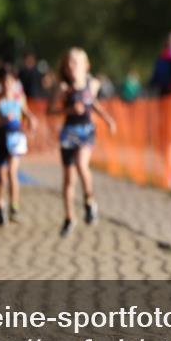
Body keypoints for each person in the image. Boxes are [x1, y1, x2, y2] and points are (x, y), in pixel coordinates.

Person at [49, 48, 117, 238]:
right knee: (69, 179)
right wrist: (69, 110)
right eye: (68, 62)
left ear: (86, 66)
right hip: (69, 133)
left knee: (82, 164)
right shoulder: (62, 88)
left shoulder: (92, 84)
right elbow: (50, 111)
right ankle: (69, 217)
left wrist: (107, 119)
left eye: (75, 62)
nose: (71, 66)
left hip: (86, 131)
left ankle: (89, 201)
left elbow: (93, 103)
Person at [0, 66, 37, 226]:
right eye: (4, 81)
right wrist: (2, 120)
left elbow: (27, 113)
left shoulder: (19, 98)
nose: (8, 84)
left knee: (12, 173)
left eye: (11, 81)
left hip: (15, 139)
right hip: (0, 140)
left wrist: (31, 120)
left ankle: (14, 208)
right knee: (2, 177)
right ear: (0, 82)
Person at [148, 30, 171, 96]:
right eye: (170, 41)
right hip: (164, 91)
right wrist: (151, 85)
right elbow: (156, 75)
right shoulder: (162, 57)